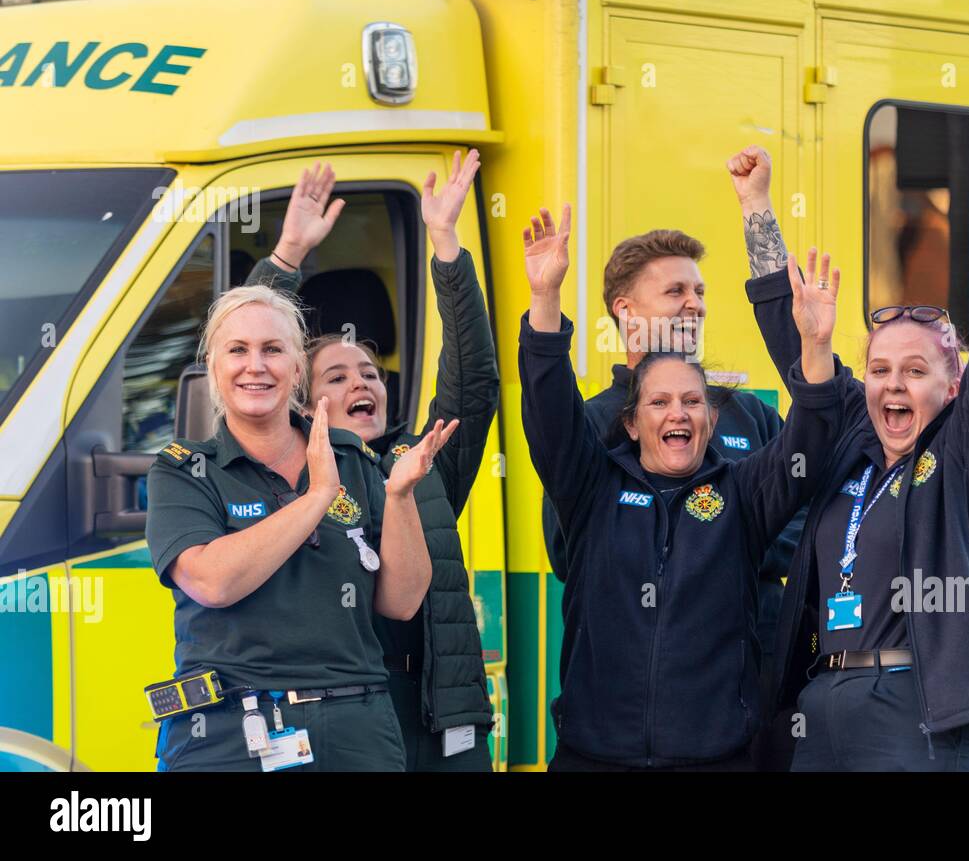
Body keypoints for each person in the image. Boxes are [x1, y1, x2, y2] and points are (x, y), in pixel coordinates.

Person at [727, 122, 969, 771]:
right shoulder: (854, 438)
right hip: (822, 705)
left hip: (921, 712)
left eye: (915, 370)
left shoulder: (966, 456)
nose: (892, 383)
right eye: (879, 368)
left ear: (955, 386)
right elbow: (796, 339)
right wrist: (755, 204)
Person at [519, 203, 847, 770]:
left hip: (718, 752)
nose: (679, 413)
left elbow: (808, 445)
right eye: (660, 402)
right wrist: (545, 301)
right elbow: (548, 411)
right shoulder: (593, 485)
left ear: (711, 420)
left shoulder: (740, 494)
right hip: (595, 752)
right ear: (630, 420)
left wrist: (816, 350)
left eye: (694, 402)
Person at [246, 154, 498, 771]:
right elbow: (249, 349)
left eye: (371, 372)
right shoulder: (283, 472)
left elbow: (473, 384)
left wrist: (447, 249)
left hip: (440, 717)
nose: (365, 383)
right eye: (338, 374)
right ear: (304, 400)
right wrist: (285, 259)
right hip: (345, 714)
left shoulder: (424, 460)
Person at [146, 285, 448, 771]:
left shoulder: (351, 459)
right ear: (212, 365)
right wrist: (316, 498)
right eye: (237, 350)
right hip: (230, 731)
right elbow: (212, 581)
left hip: (357, 727)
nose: (256, 366)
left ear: (297, 368)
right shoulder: (184, 470)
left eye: (273, 349)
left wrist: (399, 495)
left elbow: (401, 600)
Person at [540, 229, 802, 675]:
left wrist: (730, 543)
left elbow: (804, 520)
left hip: (756, 676)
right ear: (626, 310)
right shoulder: (592, 423)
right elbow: (566, 550)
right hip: (633, 679)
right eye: (675, 291)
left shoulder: (750, 413)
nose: (695, 304)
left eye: (699, 291)